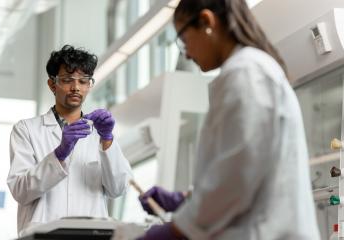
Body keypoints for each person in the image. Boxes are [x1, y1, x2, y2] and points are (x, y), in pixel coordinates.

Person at [137, 0, 320, 239]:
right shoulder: (248, 69)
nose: (187, 53)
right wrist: (186, 199)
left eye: (183, 39)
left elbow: (236, 178)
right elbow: (243, 166)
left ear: (206, 22)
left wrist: (175, 230)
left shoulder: (246, 72)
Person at [7, 45, 133, 234]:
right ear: (52, 84)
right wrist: (59, 154)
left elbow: (118, 189)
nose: (76, 87)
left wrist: (107, 139)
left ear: (89, 85)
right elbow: (21, 191)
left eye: (83, 81)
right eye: (67, 80)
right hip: (43, 235)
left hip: (90, 235)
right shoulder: (26, 130)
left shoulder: (99, 133)